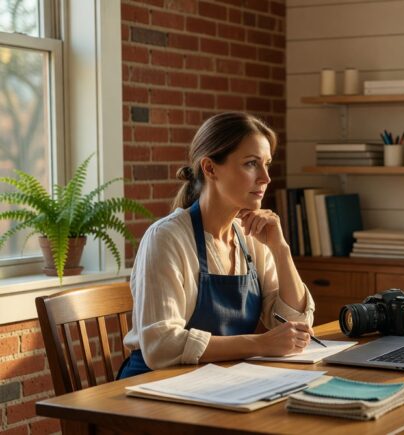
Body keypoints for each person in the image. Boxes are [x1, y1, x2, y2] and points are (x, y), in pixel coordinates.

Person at [118, 112, 315, 379]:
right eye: (251, 164)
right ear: (210, 168)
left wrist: (280, 249)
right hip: (154, 386)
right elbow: (160, 345)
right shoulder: (166, 238)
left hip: (218, 379)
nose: (266, 178)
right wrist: (260, 344)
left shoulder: (252, 237)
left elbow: (295, 327)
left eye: (267, 164)